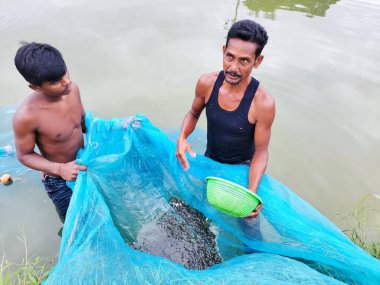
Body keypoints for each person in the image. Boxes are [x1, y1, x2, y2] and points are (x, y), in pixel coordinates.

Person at [176, 20, 275, 218]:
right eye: (230, 57)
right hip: (211, 162)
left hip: (243, 170)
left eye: (244, 61)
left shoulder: (263, 103)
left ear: (258, 61)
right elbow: (193, 113)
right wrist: (182, 138)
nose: (233, 67)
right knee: (198, 212)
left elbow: (261, 152)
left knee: (248, 223)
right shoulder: (207, 83)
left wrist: (251, 193)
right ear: (223, 51)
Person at [13, 42, 87, 222]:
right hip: (59, 180)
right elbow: (24, 155)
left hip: (85, 164)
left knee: (97, 212)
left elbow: (83, 123)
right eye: (55, 81)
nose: (66, 82)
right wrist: (60, 169)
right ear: (35, 87)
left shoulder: (72, 89)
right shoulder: (27, 116)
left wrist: (117, 128)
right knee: (73, 223)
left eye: (65, 73)